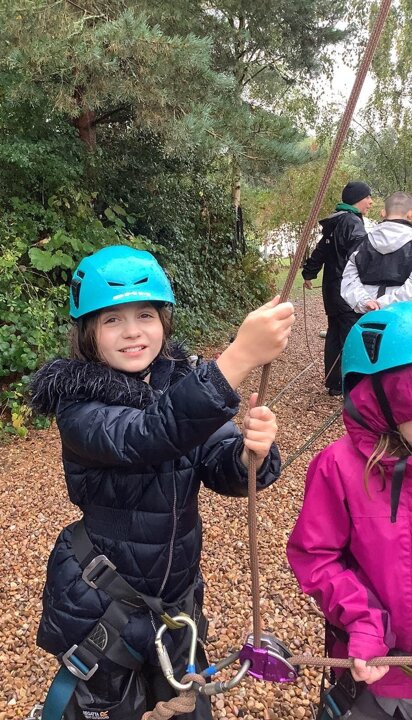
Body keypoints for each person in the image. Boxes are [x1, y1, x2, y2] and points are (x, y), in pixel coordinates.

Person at [29, 245, 295, 720]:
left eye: (145, 315)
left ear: (164, 321)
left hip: (177, 602)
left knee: (188, 707)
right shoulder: (79, 404)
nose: (132, 331)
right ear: (87, 332)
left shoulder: (180, 382)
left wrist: (250, 453)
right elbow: (148, 435)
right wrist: (237, 359)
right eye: (112, 320)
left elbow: (219, 464)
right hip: (104, 603)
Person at [287, 302, 412, 719]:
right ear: (382, 402)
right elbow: (316, 555)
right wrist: (364, 621)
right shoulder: (339, 468)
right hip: (381, 675)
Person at [302, 181, 373, 396]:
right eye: (368, 197)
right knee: (351, 336)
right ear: (358, 199)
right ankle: (352, 385)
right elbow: (362, 255)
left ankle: (334, 384)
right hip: (347, 291)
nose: (370, 202)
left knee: (334, 333)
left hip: (332, 290)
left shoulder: (337, 220)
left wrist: (309, 273)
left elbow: (321, 249)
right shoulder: (352, 222)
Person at [341, 191, 412, 313]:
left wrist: (365, 301)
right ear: (410, 215)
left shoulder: (362, 244)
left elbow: (349, 278)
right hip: (404, 316)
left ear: (383, 213)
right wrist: (384, 304)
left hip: (368, 315)